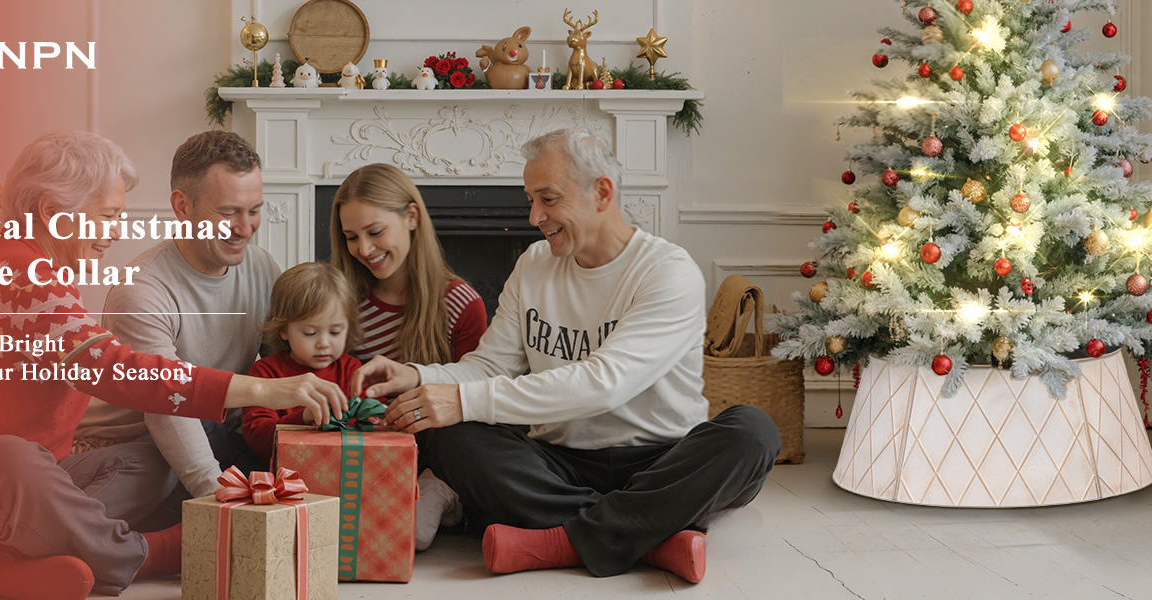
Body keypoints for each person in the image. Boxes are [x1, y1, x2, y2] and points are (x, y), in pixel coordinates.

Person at [0, 131, 347, 600]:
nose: (115, 232)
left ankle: (11, 567)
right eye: (108, 215)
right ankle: (142, 553)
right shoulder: (12, 274)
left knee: (126, 461)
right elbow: (123, 371)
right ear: (52, 213)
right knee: (13, 462)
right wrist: (267, 392)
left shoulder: (36, 274)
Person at [353, 129, 781, 583]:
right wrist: (417, 376)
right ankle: (651, 535)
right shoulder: (534, 263)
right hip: (560, 461)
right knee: (449, 434)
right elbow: (489, 366)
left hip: (662, 459)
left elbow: (605, 384)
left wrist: (461, 400)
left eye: (548, 199)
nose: (534, 215)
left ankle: (559, 541)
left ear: (601, 192)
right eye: (530, 200)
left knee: (752, 433)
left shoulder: (667, 272)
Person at [74, 130, 281, 516]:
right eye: (228, 212)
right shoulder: (142, 289)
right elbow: (165, 408)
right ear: (183, 207)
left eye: (254, 210)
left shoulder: (263, 268)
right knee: (159, 475)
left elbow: (278, 368)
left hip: (215, 430)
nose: (245, 227)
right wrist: (221, 502)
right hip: (131, 443)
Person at [329, 163, 487, 549]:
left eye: (375, 231)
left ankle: (443, 492)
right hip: (362, 451)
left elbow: (479, 397)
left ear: (411, 217)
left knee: (408, 534)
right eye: (351, 237)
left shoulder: (460, 303)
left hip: (437, 458)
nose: (364, 249)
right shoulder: (344, 302)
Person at [242, 262, 364, 457]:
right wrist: (303, 418)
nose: (323, 343)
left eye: (335, 332)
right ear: (283, 329)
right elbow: (257, 439)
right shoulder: (265, 374)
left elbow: (376, 424)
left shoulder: (352, 370)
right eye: (310, 332)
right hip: (287, 479)